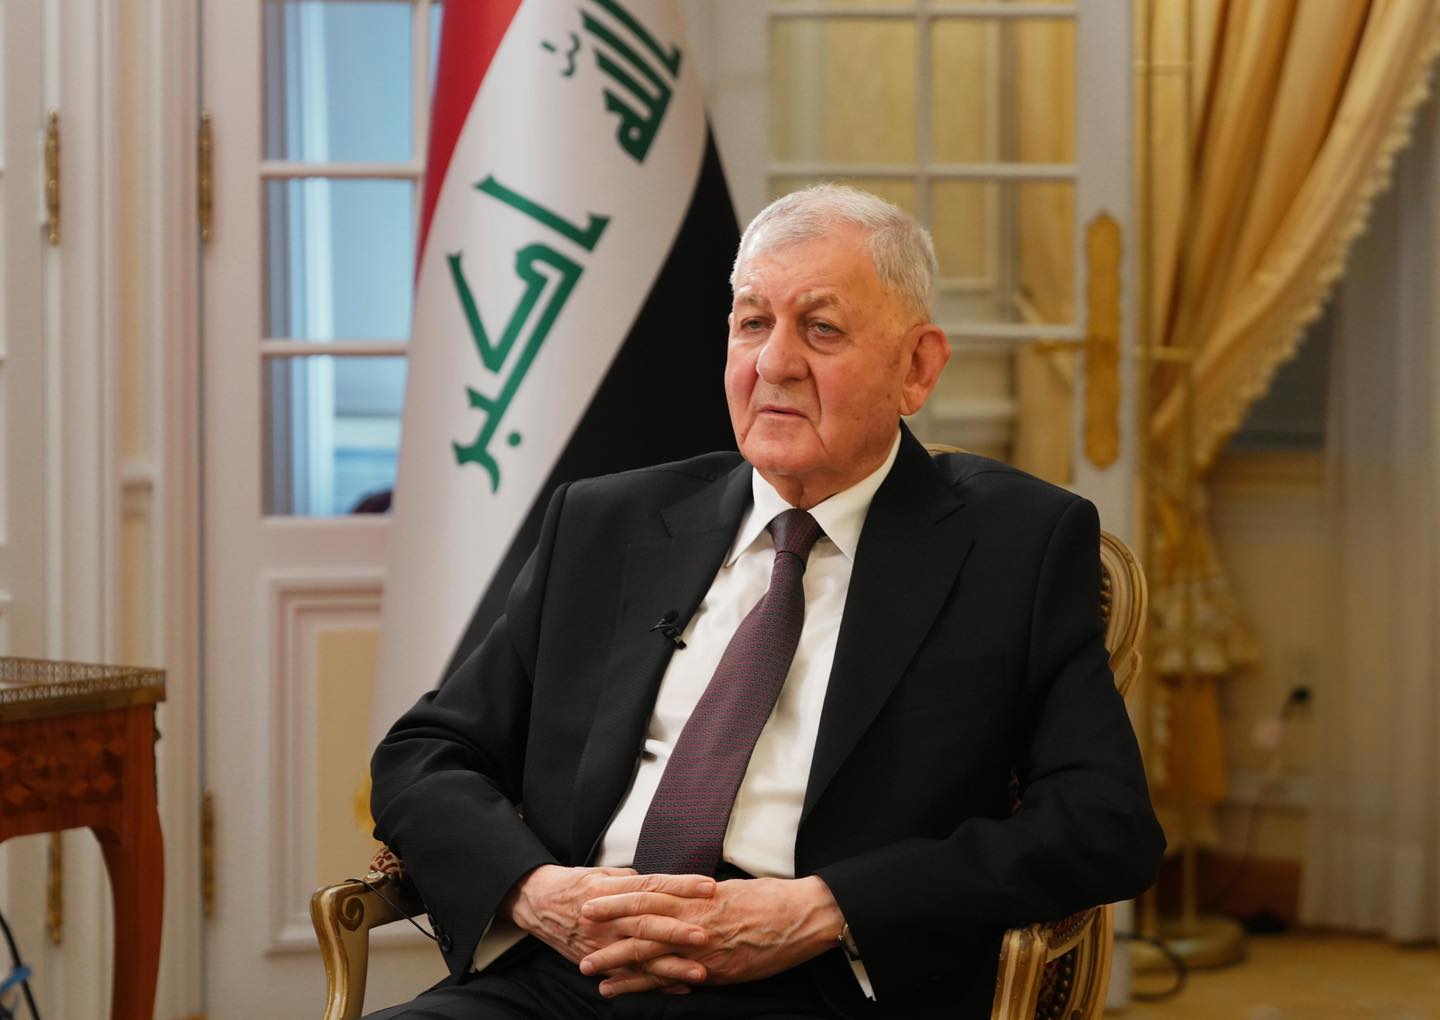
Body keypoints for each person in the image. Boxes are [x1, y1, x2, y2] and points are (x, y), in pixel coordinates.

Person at [366, 184, 1165, 1019]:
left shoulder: (1014, 546)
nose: (774, 364)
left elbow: (1104, 822)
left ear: (917, 368)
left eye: (821, 329)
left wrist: (827, 909)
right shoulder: (608, 523)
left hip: (816, 987)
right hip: (567, 972)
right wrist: (536, 892)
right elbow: (425, 752)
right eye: (753, 323)